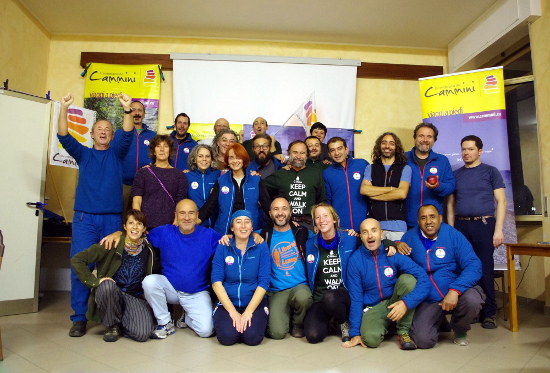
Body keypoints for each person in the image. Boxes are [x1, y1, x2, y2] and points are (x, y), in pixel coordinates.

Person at [58, 92, 134, 337]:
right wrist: (64, 108)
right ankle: (79, 318)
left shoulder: (117, 154)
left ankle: (110, 318)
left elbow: (128, 132)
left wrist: (126, 109)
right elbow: (63, 135)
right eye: (99, 129)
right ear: (91, 134)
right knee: (80, 265)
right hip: (84, 220)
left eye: (107, 129)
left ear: (112, 136)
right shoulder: (83, 154)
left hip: (111, 220)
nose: (103, 132)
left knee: (111, 269)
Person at [101, 199, 221, 339]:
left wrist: (253, 235)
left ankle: (188, 317)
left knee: (206, 331)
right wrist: (118, 233)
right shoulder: (164, 232)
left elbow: (231, 242)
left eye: (191, 213)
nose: (187, 217)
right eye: (182, 213)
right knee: (149, 281)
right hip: (169, 289)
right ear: (175, 215)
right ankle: (165, 323)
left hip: (196, 293)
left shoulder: (210, 235)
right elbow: (137, 233)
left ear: (197, 215)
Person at [397, 204, 484, 348]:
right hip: (428, 296)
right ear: (418, 222)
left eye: (432, 217)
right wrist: (396, 244)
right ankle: (439, 320)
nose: (428, 221)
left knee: (472, 299)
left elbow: (474, 265)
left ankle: (460, 330)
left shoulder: (453, 235)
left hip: (453, 290)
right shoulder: (409, 237)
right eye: (423, 218)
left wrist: (455, 290)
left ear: (440, 218)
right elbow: (399, 265)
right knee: (423, 341)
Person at [71, 210, 159, 342]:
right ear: (124, 227)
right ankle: (112, 325)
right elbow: (77, 259)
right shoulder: (111, 243)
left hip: (134, 296)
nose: (135, 227)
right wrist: (94, 281)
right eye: (131, 223)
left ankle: (124, 321)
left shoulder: (149, 250)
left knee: (142, 334)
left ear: (144, 228)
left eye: (139, 224)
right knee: (107, 286)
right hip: (113, 292)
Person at [446, 135, 506, 329]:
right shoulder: (457, 175)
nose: (466, 153)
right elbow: (450, 203)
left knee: (484, 270)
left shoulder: (491, 172)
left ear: (480, 151)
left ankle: (489, 313)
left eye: (471, 149)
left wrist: (498, 231)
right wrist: (451, 229)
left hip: (484, 225)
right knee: (463, 269)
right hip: (462, 227)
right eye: (463, 149)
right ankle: (471, 309)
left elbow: (502, 201)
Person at [343, 218, 429, 350]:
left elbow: (423, 278)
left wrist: (406, 303)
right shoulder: (355, 260)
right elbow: (356, 298)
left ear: (381, 233)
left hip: (395, 302)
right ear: (360, 236)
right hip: (374, 308)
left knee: (408, 280)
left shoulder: (392, 253)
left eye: (374, 231)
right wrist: (355, 332)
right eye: (365, 232)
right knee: (370, 340)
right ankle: (388, 325)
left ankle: (403, 331)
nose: (370, 235)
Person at [211, 210, 271, 346]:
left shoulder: (261, 247)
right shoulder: (223, 246)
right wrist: (232, 312)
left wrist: (248, 312)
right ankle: (233, 323)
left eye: (247, 222)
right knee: (227, 338)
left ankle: (249, 323)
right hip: (228, 302)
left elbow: (264, 282)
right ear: (232, 228)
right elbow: (216, 282)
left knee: (252, 338)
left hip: (254, 302)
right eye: (238, 222)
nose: (243, 226)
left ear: (252, 227)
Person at [303, 203, 360, 344]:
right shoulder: (310, 244)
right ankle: (332, 320)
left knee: (331, 299)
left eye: (325, 216)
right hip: (320, 297)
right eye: (317, 217)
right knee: (313, 335)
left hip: (343, 294)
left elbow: (372, 244)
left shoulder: (350, 239)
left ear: (334, 219)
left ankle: (343, 320)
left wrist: (391, 244)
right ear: (315, 222)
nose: (322, 220)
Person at [259, 196, 314, 339]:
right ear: (270, 213)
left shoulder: (303, 232)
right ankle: (285, 316)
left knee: (303, 297)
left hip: (299, 286)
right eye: (276, 209)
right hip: (277, 290)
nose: (280, 213)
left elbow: (326, 236)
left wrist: (347, 233)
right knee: (277, 333)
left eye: (284, 208)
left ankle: (297, 323)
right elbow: (243, 235)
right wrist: (228, 236)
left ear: (290, 212)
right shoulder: (263, 235)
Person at [198, 143, 271, 235]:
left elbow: (267, 204)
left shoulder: (255, 180)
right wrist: (195, 221)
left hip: (249, 232)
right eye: (231, 157)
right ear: (227, 161)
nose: (235, 161)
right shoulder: (221, 181)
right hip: (225, 233)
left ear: (243, 159)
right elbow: (209, 206)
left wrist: (280, 223)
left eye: (238, 157)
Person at [264, 140, 326, 227]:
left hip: (309, 225)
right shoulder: (281, 174)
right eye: (295, 152)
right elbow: (260, 189)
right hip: (285, 224)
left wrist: (318, 224)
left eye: (302, 153)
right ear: (289, 153)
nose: (298, 156)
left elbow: (322, 201)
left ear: (307, 155)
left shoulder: (316, 174)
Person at [361, 132, 411, 240]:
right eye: (384, 142)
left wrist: (373, 195)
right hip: (375, 226)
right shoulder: (371, 168)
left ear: (396, 147)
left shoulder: (405, 168)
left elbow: (402, 194)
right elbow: (364, 190)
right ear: (379, 145)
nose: (387, 146)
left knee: (397, 257)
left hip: (398, 227)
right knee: (376, 257)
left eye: (391, 143)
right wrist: (392, 189)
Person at [131, 134, 188, 229]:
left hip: (170, 226)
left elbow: (181, 201)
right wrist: (138, 223)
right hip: (146, 226)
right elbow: (137, 200)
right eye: (158, 146)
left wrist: (177, 220)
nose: (162, 149)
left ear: (170, 151)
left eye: (165, 146)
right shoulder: (143, 173)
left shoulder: (179, 175)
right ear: (153, 151)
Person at [405, 123, 455, 228]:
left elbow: (451, 187)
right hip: (407, 221)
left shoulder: (442, 160)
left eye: (429, 137)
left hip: (434, 222)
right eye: (421, 136)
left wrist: (437, 186)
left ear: (434, 140)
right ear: (414, 138)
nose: (425, 140)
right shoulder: (403, 159)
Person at [114, 100, 156, 215]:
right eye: (133, 110)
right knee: (121, 217)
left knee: (142, 217)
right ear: (127, 112)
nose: (136, 113)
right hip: (123, 184)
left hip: (145, 185)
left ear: (144, 114)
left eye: (140, 110)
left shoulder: (152, 136)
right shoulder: (119, 134)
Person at [324, 137, 369, 231]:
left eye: (339, 148)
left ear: (346, 149)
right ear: (329, 154)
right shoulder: (327, 173)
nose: (337, 153)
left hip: (365, 225)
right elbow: (328, 201)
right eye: (333, 150)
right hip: (342, 228)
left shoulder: (362, 164)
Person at [185, 144, 221, 228]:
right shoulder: (187, 176)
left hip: (216, 225)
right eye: (200, 156)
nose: (204, 159)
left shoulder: (219, 175)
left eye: (207, 156)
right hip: (195, 225)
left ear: (212, 159)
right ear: (194, 159)